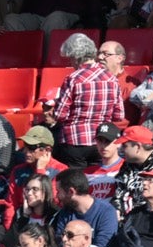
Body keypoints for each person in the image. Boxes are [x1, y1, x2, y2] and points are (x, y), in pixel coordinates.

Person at [46, 33, 123, 167]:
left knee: (75, 184)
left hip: (74, 141)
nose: (70, 63)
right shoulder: (112, 78)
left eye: (70, 59)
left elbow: (59, 115)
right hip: (101, 140)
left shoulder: (73, 78)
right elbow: (119, 115)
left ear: (76, 57)